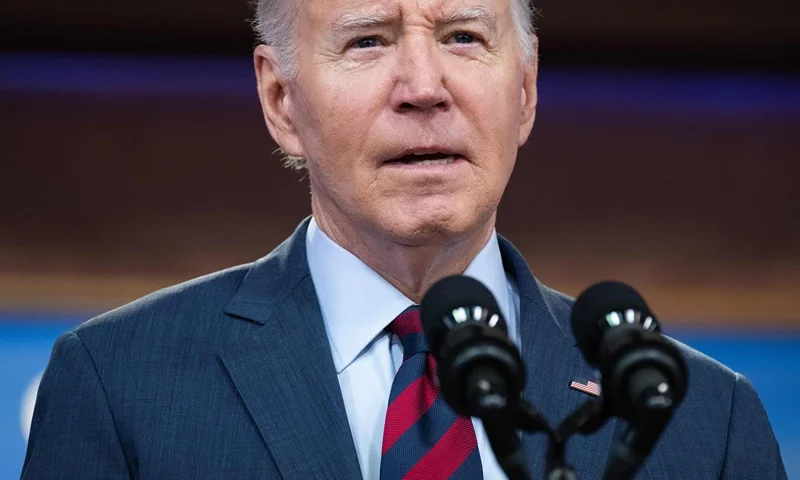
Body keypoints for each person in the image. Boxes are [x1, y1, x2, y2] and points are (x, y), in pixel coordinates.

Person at [22, 0, 787, 478]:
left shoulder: (702, 420)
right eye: (367, 41)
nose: (423, 86)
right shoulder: (118, 383)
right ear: (280, 98)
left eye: (462, 36)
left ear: (524, 91)